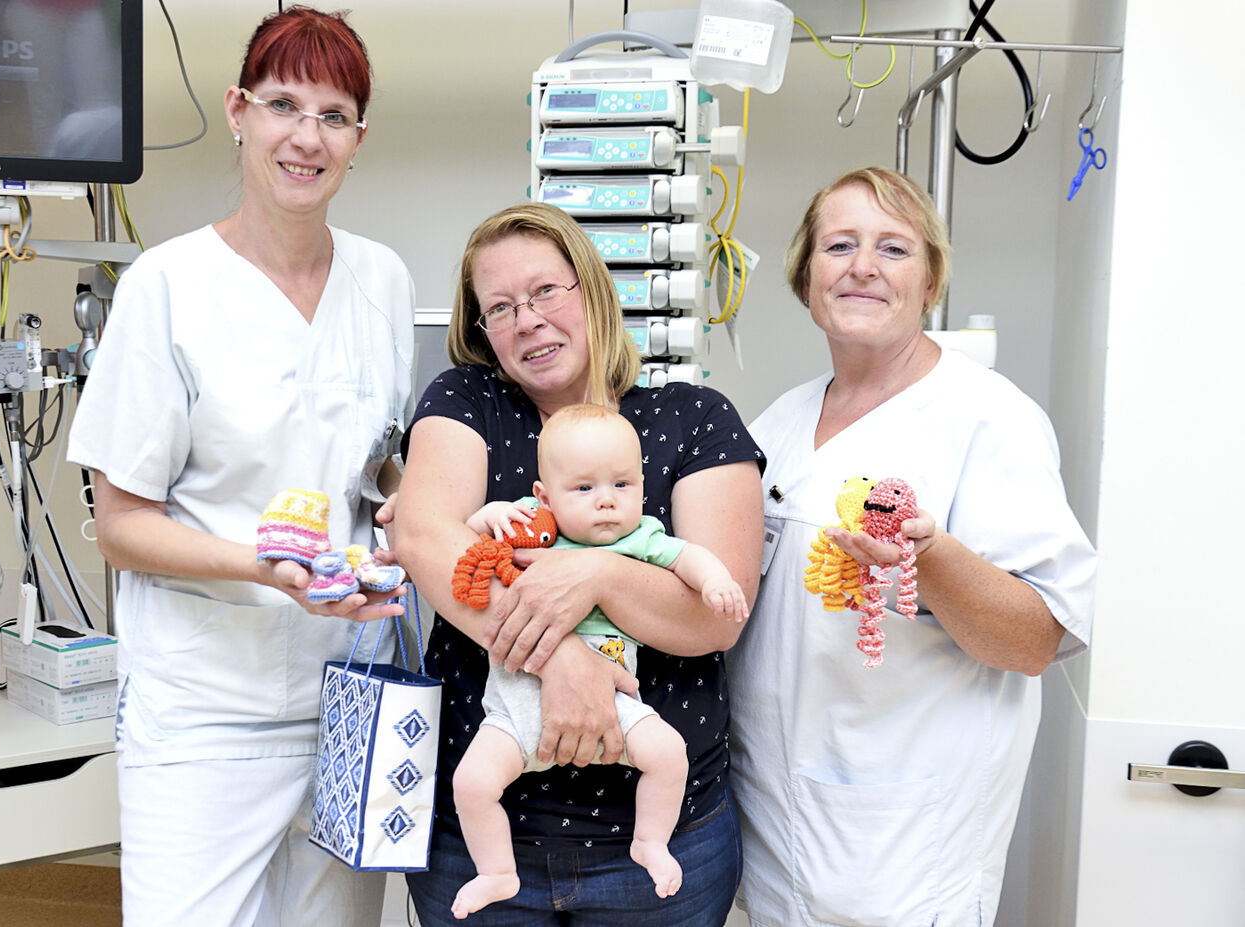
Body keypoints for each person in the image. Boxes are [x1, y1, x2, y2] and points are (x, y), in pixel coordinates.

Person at [65, 8, 412, 925]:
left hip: (350, 691)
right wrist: (266, 569)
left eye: (334, 116)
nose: (307, 136)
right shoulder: (165, 289)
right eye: (283, 105)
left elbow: (379, 470)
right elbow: (120, 526)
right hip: (205, 707)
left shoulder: (382, 280)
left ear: (358, 139)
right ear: (238, 110)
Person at [727, 166, 1097, 927]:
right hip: (771, 826)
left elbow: (1035, 639)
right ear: (805, 279)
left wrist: (931, 562)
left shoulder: (987, 419)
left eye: (893, 249)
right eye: (839, 245)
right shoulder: (778, 425)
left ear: (930, 283)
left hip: (904, 846)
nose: (862, 266)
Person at [388, 201, 764, 927]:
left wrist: (595, 575)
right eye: (498, 308)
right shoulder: (467, 402)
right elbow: (427, 540)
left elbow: (714, 616)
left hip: (664, 839)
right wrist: (563, 659)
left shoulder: (694, 418)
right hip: (478, 837)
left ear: (591, 290)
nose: (525, 319)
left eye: (544, 292)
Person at [451, 403, 749, 919]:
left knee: (668, 753)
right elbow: (463, 534)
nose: (607, 502)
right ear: (545, 495)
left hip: (616, 700)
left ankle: (650, 841)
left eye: (623, 486)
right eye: (584, 489)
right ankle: (496, 872)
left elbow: (688, 557)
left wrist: (717, 580)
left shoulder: (640, 538)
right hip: (516, 709)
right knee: (472, 784)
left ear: (642, 484)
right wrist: (489, 515)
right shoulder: (528, 523)